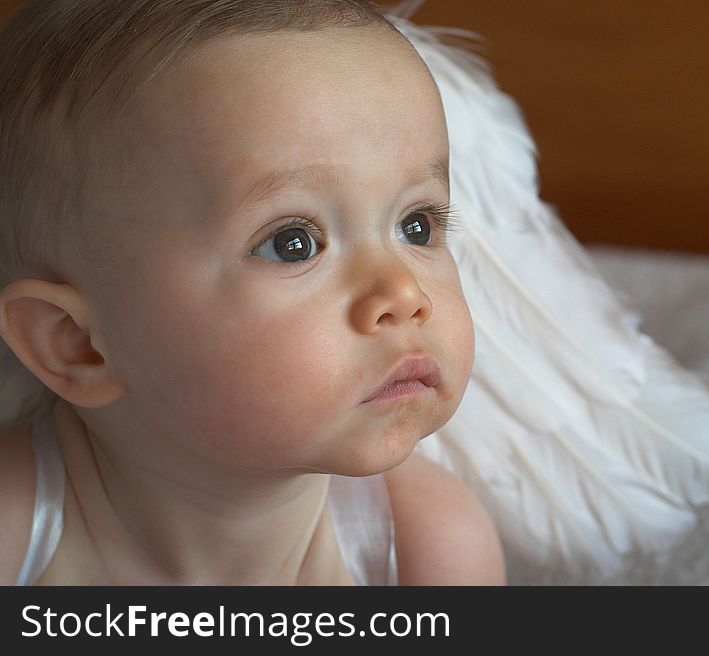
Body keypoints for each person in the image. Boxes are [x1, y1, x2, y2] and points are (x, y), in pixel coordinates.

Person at [0, 0, 506, 585]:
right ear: (77, 344)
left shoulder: (429, 546)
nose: (404, 292)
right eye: (293, 243)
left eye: (416, 225)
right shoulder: (16, 535)